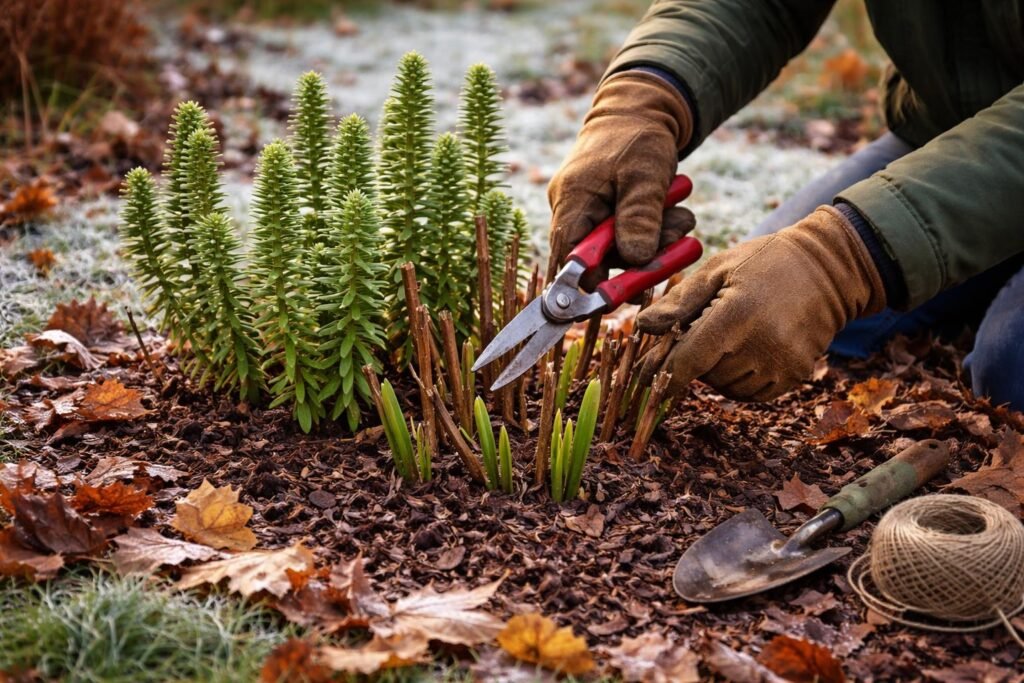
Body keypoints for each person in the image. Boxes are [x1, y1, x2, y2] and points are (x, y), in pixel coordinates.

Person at [547, 0, 1024, 410]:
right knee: (747, 312)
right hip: (946, 132)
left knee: (1010, 376)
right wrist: (644, 99)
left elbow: (836, 261)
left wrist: (840, 260)